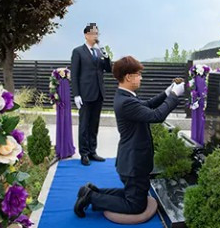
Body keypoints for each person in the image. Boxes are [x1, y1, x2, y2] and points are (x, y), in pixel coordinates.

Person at [74, 56, 184, 217]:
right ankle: (91, 197)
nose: (141, 77)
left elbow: (148, 105)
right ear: (128, 77)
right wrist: (174, 96)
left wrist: (167, 92)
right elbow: (156, 116)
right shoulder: (126, 101)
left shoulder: (125, 96)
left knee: (131, 194)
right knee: (135, 205)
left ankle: (91, 190)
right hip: (134, 163)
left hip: (132, 160)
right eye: (138, 74)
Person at [71, 23, 112, 166]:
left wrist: (106, 57)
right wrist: (76, 94)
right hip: (85, 94)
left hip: (99, 93)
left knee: (94, 124)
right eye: (94, 33)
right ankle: (84, 154)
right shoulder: (78, 52)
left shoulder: (99, 52)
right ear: (86, 35)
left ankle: (93, 151)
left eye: (97, 34)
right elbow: (74, 75)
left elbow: (108, 69)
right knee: (84, 125)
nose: (96, 36)